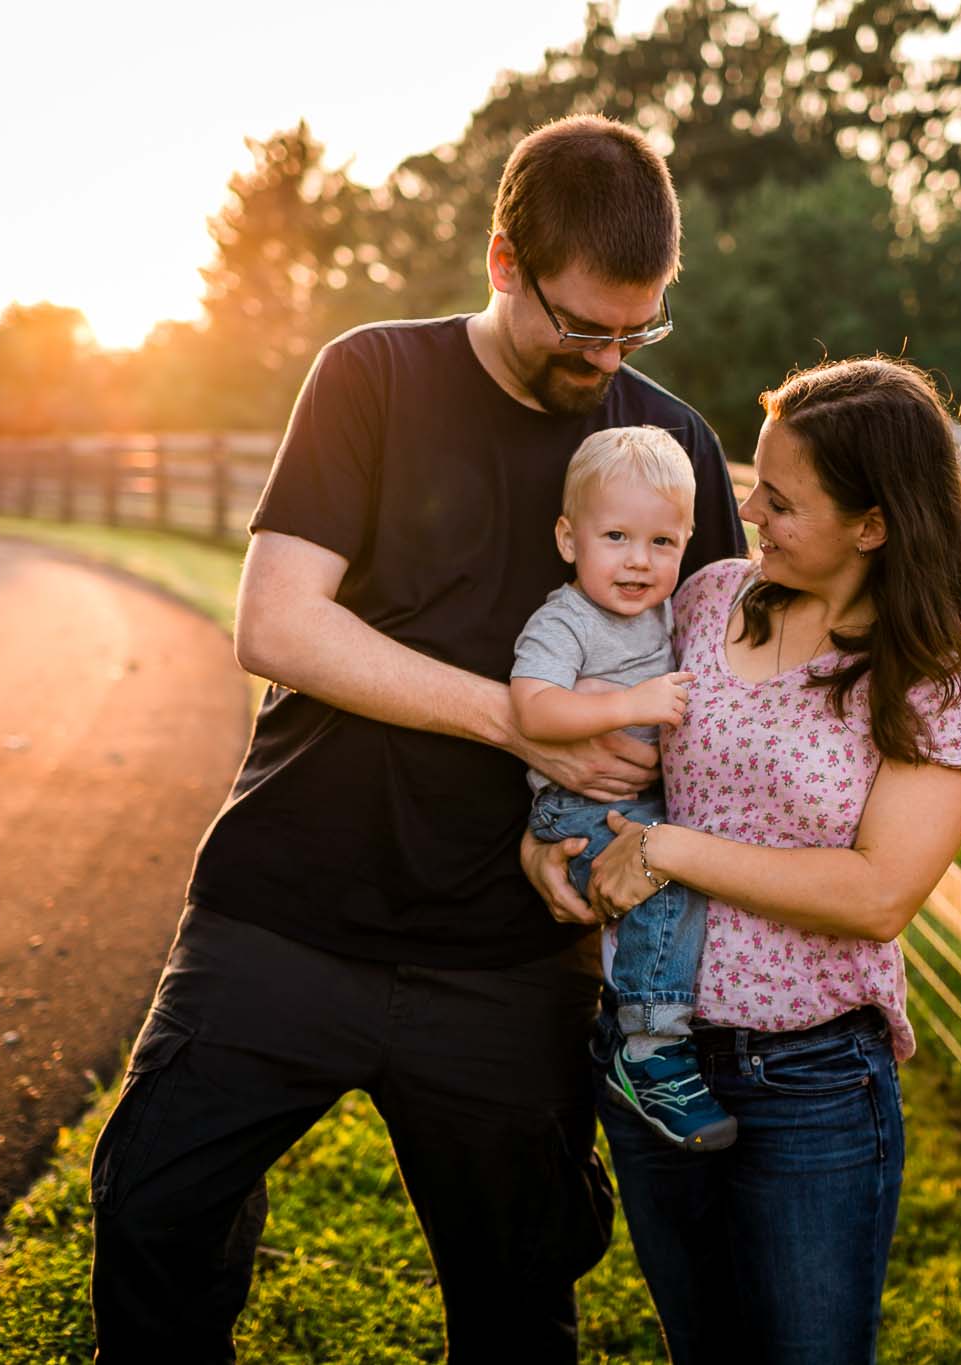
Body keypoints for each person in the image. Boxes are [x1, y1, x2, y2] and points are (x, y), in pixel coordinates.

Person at [88, 115, 747, 1363]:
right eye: (579, 326)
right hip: (282, 910)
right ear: (504, 261)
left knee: (517, 1286)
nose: (604, 360)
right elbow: (278, 624)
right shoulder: (372, 376)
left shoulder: (673, 454)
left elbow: (717, 700)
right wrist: (523, 728)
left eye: (635, 331)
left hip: (508, 962)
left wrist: (629, 835)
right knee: (156, 1215)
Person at [525, 356, 961, 1364]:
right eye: (756, 482)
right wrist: (546, 831)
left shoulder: (948, 678)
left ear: (871, 525)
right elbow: (608, 745)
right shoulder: (707, 598)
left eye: (781, 501)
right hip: (649, 1054)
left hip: (808, 1080)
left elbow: (877, 895)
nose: (748, 510)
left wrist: (668, 852)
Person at [511, 425, 735, 1152]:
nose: (639, 560)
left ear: (688, 539)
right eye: (615, 536)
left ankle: (661, 1020)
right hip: (575, 807)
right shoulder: (566, 620)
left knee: (681, 865)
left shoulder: (666, 612)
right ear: (569, 538)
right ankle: (648, 1048)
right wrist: (631, 705)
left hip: (635, 801)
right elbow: (533, 707)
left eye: (662, 542)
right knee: (663, 877)